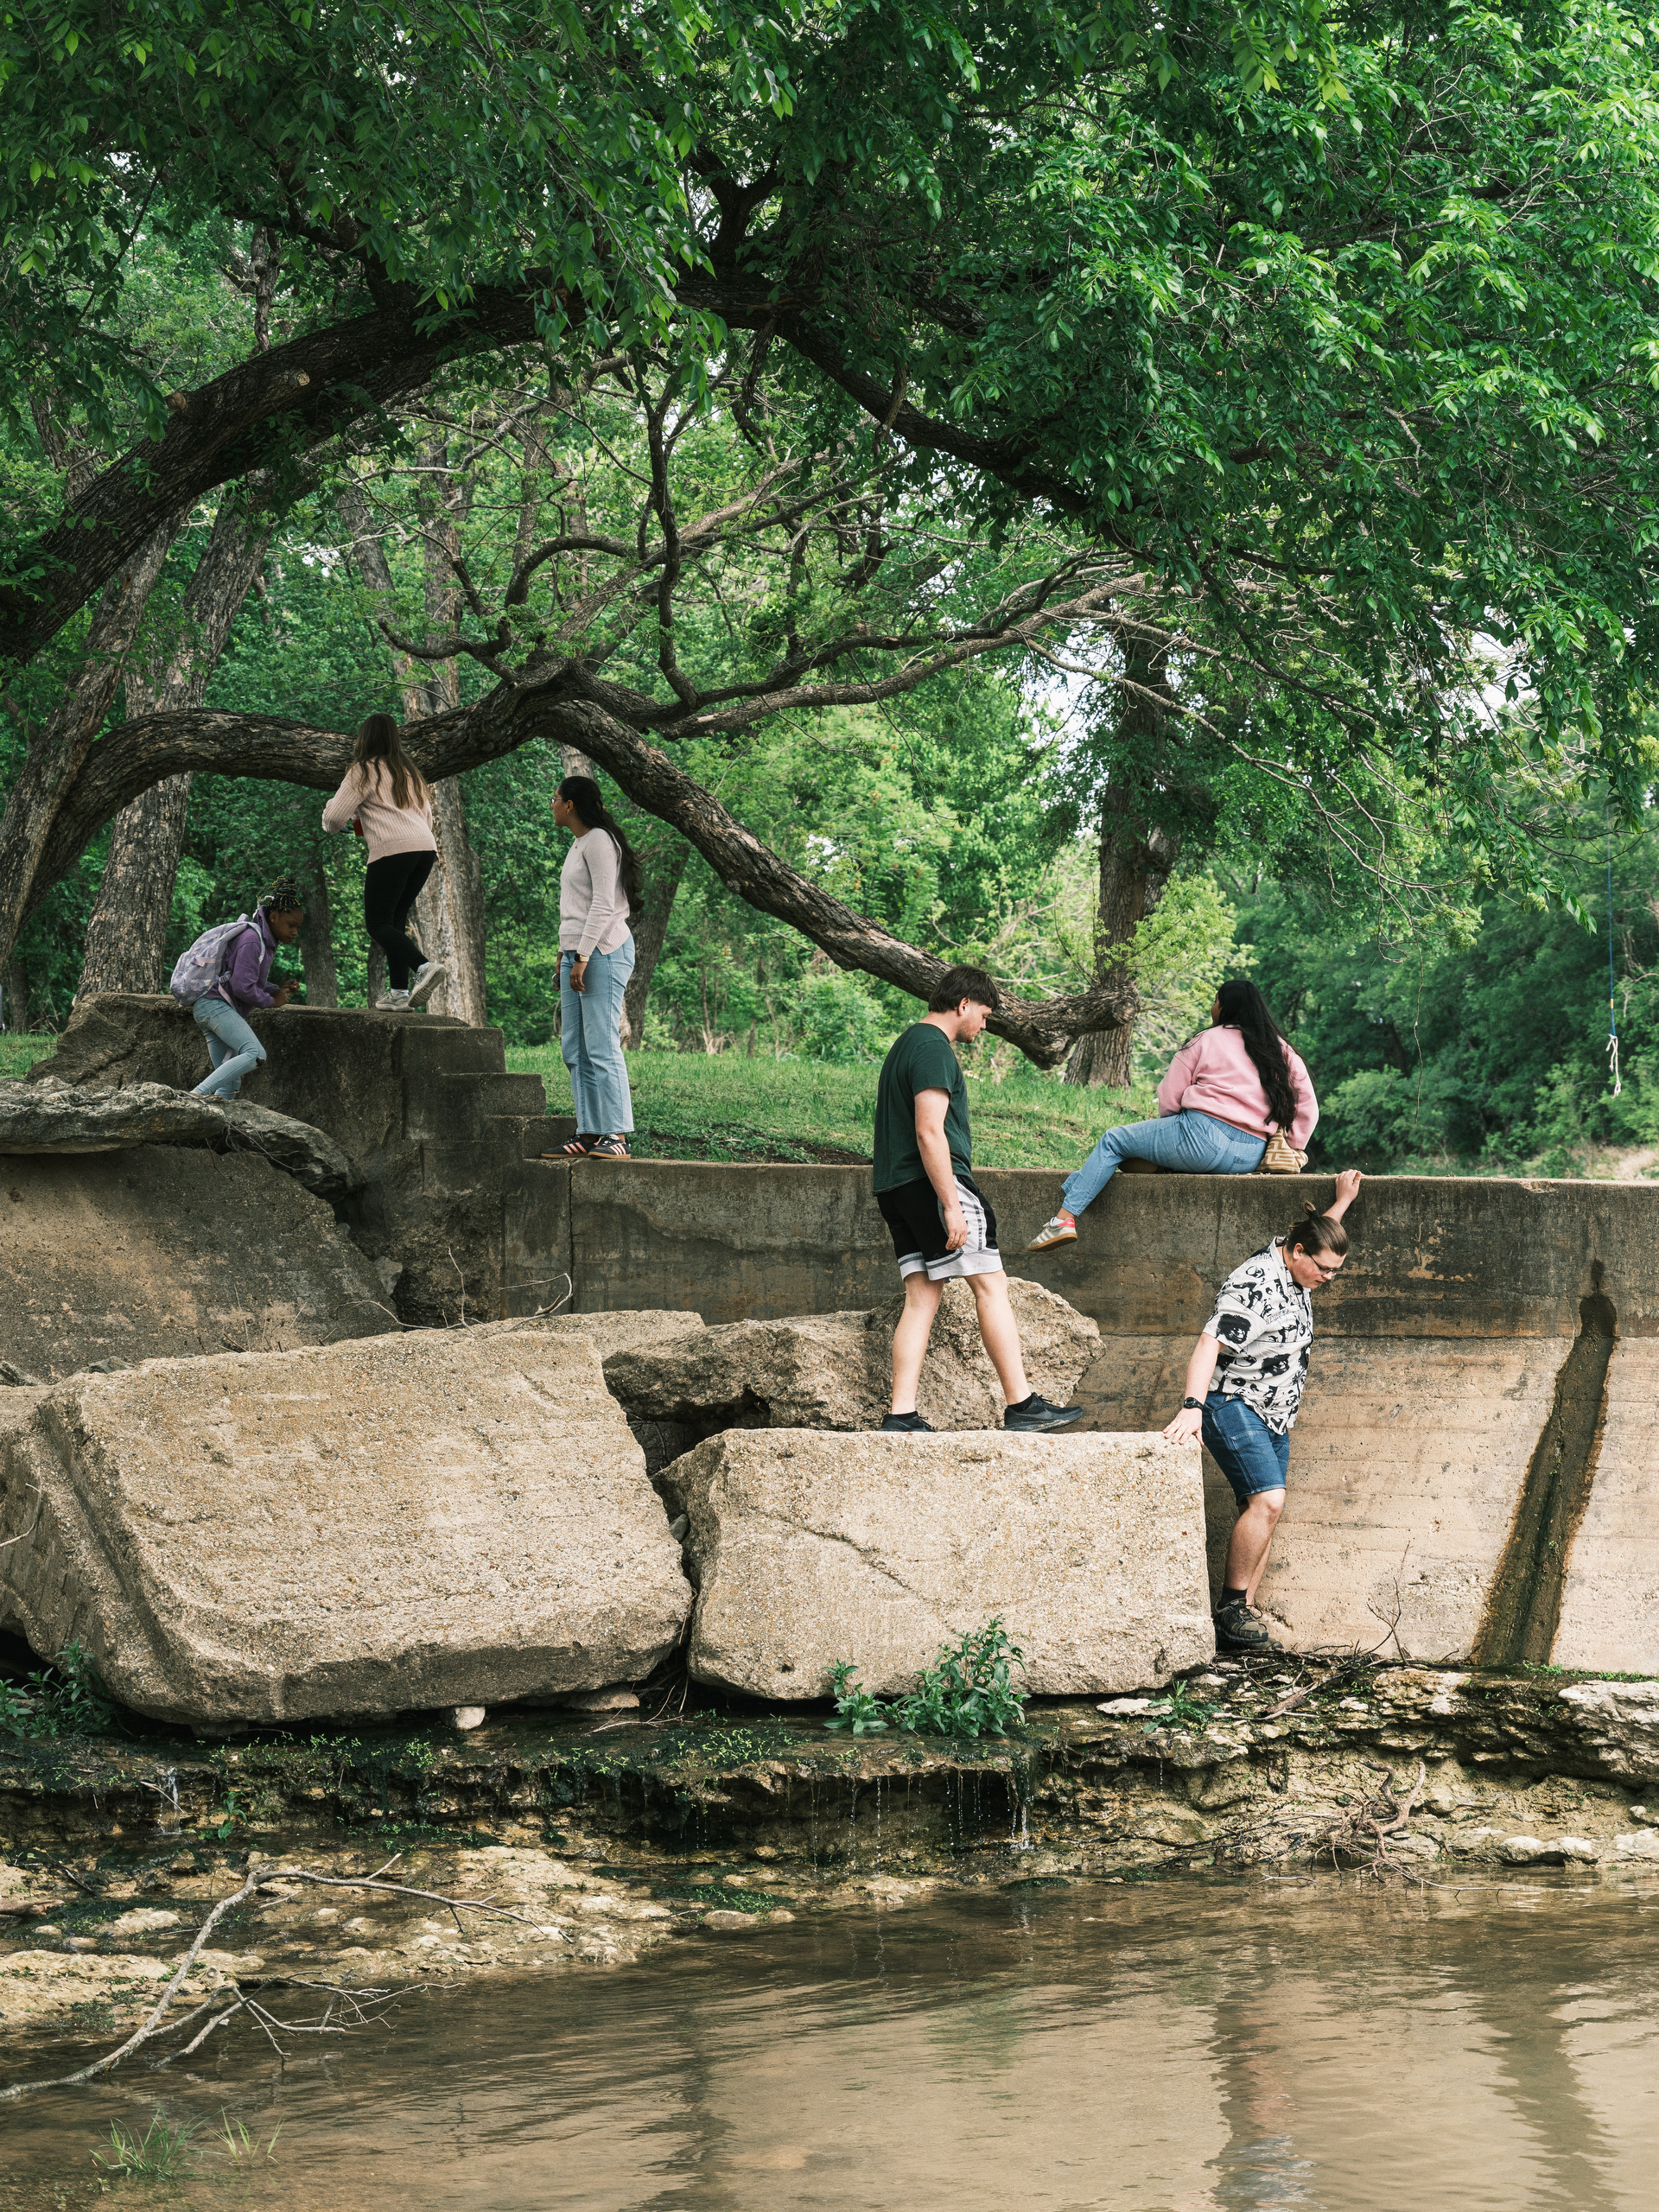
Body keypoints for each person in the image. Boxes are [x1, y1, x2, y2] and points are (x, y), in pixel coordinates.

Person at [874, 964, 1083, 1433]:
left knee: (921, 1298)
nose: (984, 1026)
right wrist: (951, 1203)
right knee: (991, 1285)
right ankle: (1022, 1405)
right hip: (931, 1185)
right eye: (984, 1015)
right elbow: (929, 1131)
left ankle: (900, 1414)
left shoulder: (906, 1043)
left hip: (895, 1187)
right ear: (963, 1004)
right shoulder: (932, 1048)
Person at [1161, 1173, 1363, 1652]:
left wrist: (1342, 1204)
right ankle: (1231, 1608)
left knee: (1262, 1511)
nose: (1328, 1280)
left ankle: (1240, 1623)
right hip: (1233, 1402)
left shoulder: (1301, 1258)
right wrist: (1192, 1407)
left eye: (1335, 1271)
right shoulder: (1256, 1287)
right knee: (1268, 1501)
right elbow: (1210, 1341)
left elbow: (1319, 1241)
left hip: (1276, 1410)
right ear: (1296, 1255)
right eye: (1325, 1271)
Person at [1027, 979, 1318, 1251]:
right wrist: (1292, 1145)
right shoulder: (1282, 1051)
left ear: (1226, 1006)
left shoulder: (1205, 1040)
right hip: (1250, 1154)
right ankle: (1081, 1185)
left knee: (1114, 1141)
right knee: (1132, 1160)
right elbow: (1308, 1107)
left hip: (1200, 1139)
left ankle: (1062, 1220)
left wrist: (1178, 1133)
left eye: (1216, 1001)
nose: (1212, 1007)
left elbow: (1169, 1099)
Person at [321, 713, 446, 1011]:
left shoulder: (362, 771)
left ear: (364, 738)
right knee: (395, 921)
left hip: (393, 851)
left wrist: (331, 806)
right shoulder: (409, 772)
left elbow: (334, 820)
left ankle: (424, 967)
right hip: (425, 850)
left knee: (377, 924)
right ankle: (399, 994)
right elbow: (425, 817)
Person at [544, 774, 640, 1160]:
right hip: (578, 952)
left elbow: (603, 905)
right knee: (575, 1048)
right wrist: (564, 953)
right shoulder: (579, 844)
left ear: (570, 804)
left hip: (603, 951)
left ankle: (616, 1135)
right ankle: (588, 1132)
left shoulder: (600, 841)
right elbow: (576, 909)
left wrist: (581, 957)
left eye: (554, 798)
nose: (551, 804)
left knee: (601, 1045)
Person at [191, 880, 304, 1100]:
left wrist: (278, 991)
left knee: (229, 1084)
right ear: (273, 918)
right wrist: (272, 1001)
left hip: (208, 1006)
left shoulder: (262, 941)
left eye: (297, 927)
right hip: (214, 1005)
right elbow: (242, 988)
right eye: (291, 925)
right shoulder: (253, 940)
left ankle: (214, 1128)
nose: (294, 932)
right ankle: (194, 1096)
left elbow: (250, 982)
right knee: (256, 1054)